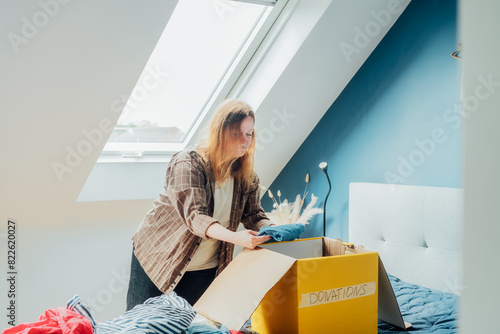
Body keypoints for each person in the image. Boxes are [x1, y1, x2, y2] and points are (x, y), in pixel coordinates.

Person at [126, 98, 273, 310]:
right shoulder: (188, 163)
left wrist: (275, 231)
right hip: (159, 258)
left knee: (186, 326)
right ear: (219, 133)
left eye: (248, 134)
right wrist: (236, 238)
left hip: (204, 267)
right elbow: (196, 216)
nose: (244, 140)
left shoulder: (246, 176)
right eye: (236, 133)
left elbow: (254, 215)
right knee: (139, 326)